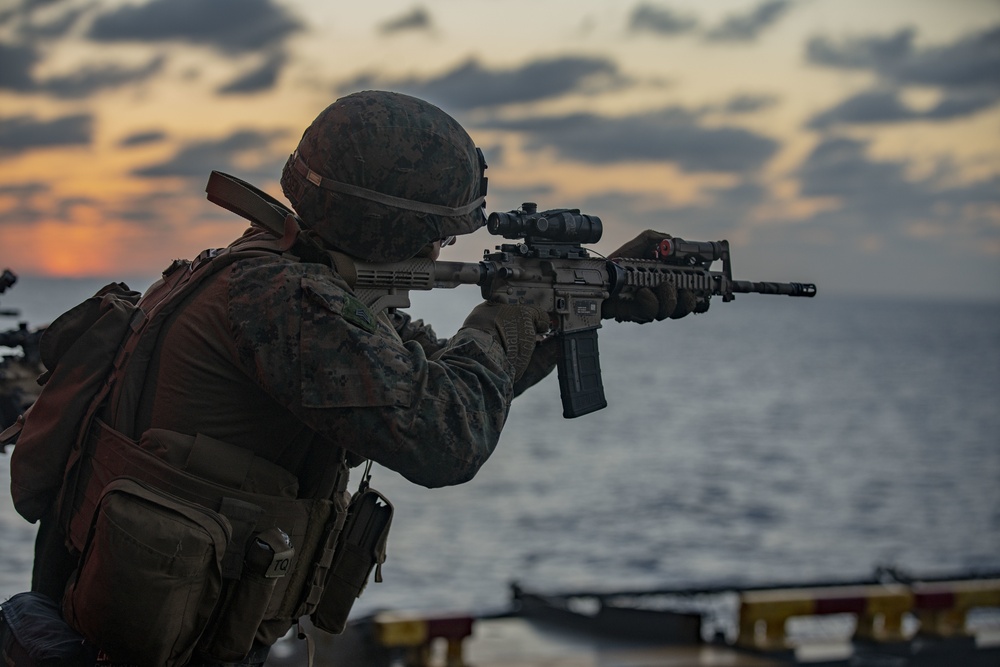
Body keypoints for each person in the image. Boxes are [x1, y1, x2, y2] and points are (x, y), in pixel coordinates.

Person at [1, 90, 688, 666]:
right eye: (435, 233)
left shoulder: (290, 282)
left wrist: (578, 309)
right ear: (382, 223)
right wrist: (510, 309)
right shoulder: (283, 302)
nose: (438, 250)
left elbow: (457, 380)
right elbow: (448, 433)